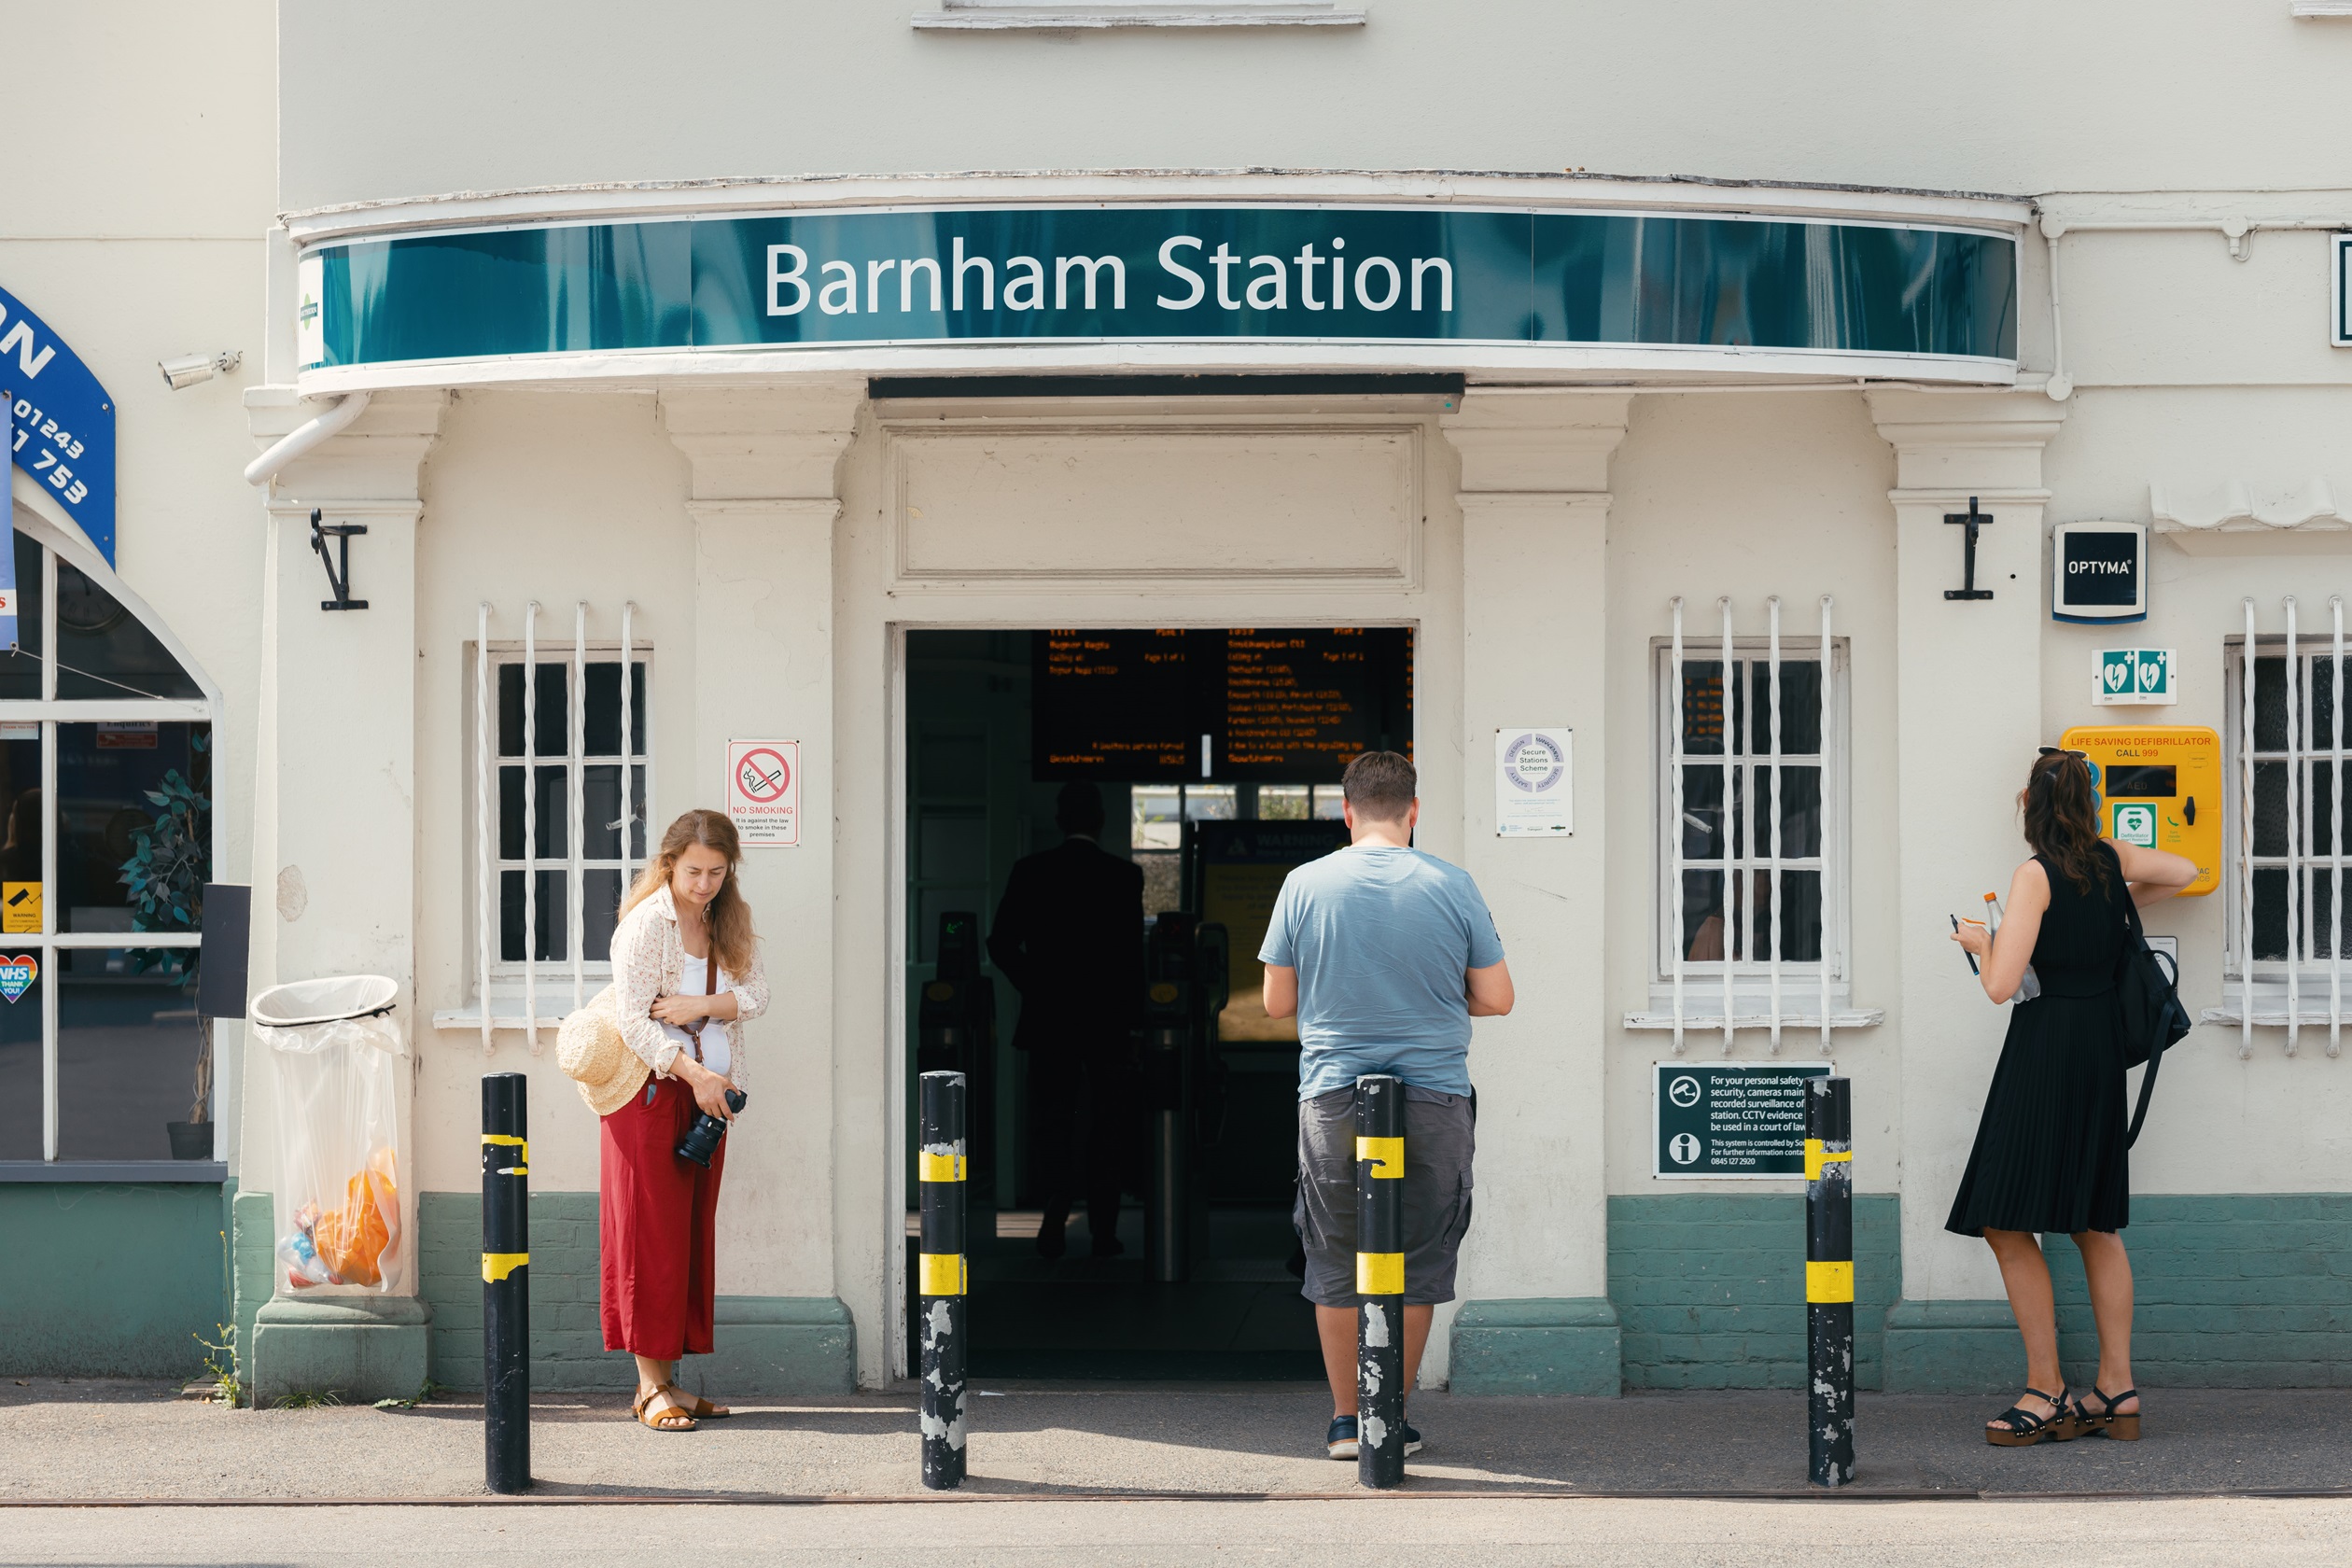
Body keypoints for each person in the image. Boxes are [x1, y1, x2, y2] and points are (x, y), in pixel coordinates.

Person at [1260, 750, 1513, 1461]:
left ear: (1346, 811)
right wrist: (1429, 1001)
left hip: (1334, 1094)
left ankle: (1348, 1421)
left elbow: (1278, 1003)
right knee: (1420, 1253)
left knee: (1337, 1253)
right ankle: (1390, 1418)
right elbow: (1497, 997)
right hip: (1433, 1093)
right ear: (1414, 811)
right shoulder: (1452, 884)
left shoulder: (1304, 884)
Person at [1948, 749, 2195, 1448]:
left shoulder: (2034, 875)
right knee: (2094, 1222)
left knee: (2003, 1218)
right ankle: (2116, 1389)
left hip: (2046, 1047)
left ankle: (2046, 1388)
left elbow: (2001, 984)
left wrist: (1978, 940)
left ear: (2030, 804)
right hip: (2098, 1051)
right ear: (2089, 803)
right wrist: (2122, 902)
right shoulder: (2110, 862)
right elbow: (2186, 870)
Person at [597, 809, 770, 1432]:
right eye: (694, 871)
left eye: (717, 872)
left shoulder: (725, 919)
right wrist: (694, 1075)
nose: (704, 884)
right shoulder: (646, 927)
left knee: (688, 1239)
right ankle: (649, 1388)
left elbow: (758, 995)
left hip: (709, 1101)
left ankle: (670, 1381)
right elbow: (634, 1021)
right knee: (650, 1240)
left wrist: (702, 1004)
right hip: (653, 1098)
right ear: (669, 864)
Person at [987, 781, 1145, 1259]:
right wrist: (1134, 1020)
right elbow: (1131, 958)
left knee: (1052, 1122)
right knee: (1108, 1124)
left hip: (1050, 1020)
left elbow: (1000, 944)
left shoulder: (1031, 871)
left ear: (1059, 822)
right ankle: (1103, 1231)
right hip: (1107, 1022)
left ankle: (1053, 1223)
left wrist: (1037, 986)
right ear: (1100, 821)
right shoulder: (1124, 876)